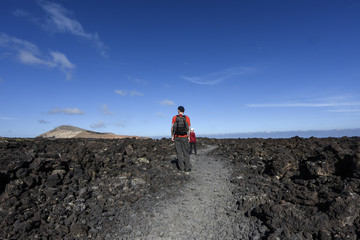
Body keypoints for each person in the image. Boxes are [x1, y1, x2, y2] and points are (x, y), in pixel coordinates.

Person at [171, 106, 192, 172]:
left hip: (177, 137)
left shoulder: (175, 117)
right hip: (184, 137)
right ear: (183, 111)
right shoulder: (187, 118)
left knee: (179, 153)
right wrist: (189, 137)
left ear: (178, 110)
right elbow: (189, 128)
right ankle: (187, 168)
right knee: (186, 153)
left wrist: (172, 136)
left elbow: (172, 128)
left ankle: (181, 168)